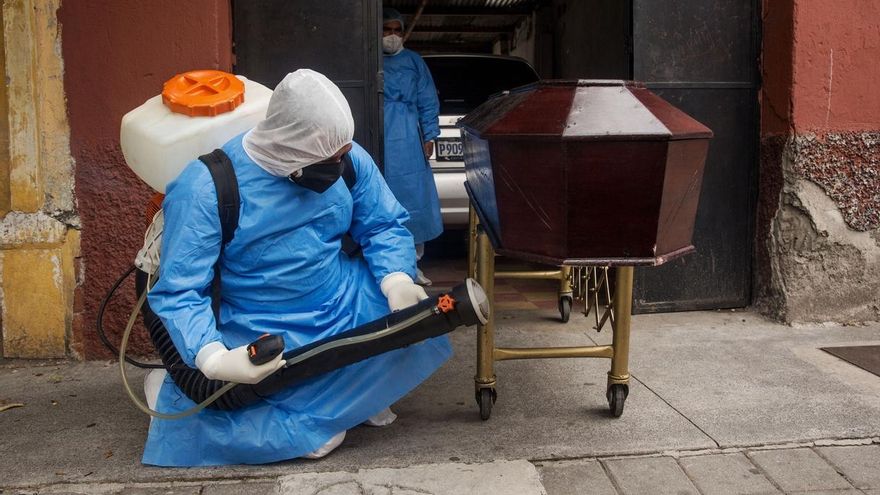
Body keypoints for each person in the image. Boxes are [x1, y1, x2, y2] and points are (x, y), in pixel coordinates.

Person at [141, 69, 452, 466]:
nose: (343, 162)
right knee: (308, 438)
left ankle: (346, 398)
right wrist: (213, 358)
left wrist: (396, 280)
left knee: (414, 331)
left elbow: (383, 223)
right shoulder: (208, 188)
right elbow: (181, 290)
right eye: (332, 158)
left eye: (344, 153)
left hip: (342, 300)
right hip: (264, 321)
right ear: (293, 147)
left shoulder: (346, 156)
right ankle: (168, 389)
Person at [382, 7, 442, 286]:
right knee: (382, 199)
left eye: (397, 30)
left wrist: (429, 135)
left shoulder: (414, 62)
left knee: (414, 199)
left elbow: (427, 99)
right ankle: (388, 265)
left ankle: (413, 265)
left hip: (407, 136)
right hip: (378, 133)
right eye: (387, 30)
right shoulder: (369, 61)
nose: (392, 36)